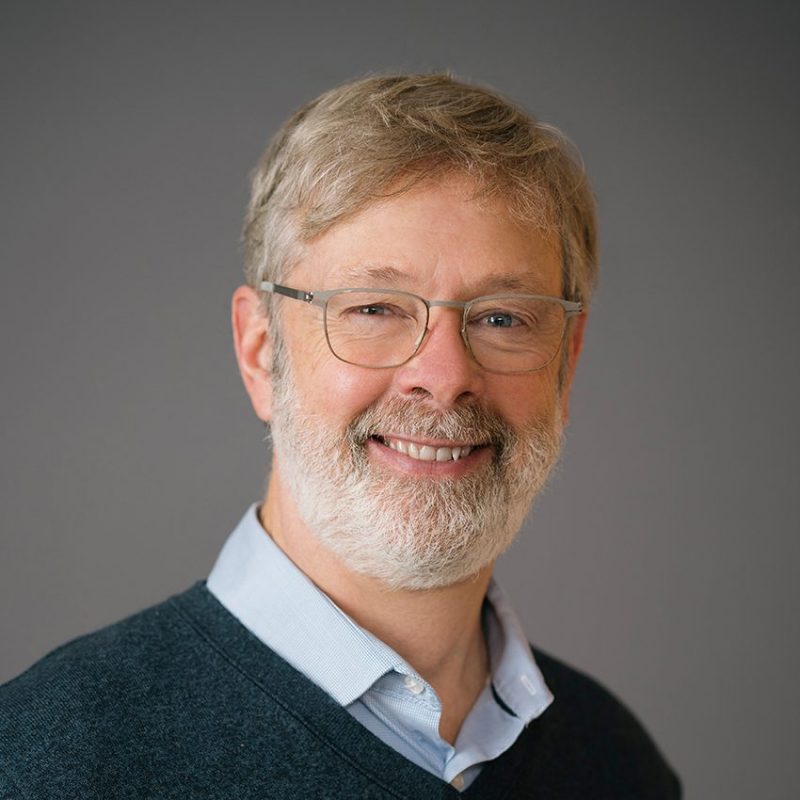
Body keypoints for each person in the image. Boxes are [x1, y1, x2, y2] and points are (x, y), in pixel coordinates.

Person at [0, 73, 680, 798]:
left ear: (566, 369)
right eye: (375, 308)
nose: (444, 376)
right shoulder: (49, 764)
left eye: (502, 318)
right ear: (262, 351)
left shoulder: (612, 762)